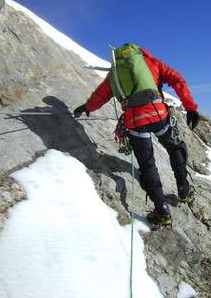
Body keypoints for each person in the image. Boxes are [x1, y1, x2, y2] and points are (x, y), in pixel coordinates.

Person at [74, 43, 200, 226]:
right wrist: (190, 107)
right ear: (139, 53)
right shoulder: (152, 63)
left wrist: (87, 107)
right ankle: (183, 189)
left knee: (148, 164)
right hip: (159, 115)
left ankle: (162, 211)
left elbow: (101, 95)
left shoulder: (115, 74)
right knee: (175, 147)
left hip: (135, 122)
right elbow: (177, 80)